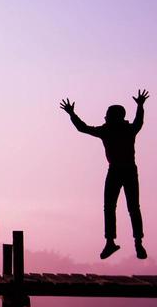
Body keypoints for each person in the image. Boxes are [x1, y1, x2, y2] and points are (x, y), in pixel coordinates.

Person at [60, 90, 149, 260]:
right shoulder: (127, 129)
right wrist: (140, 106)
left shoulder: (108, 130)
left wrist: (72, 114)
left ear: (114, 116)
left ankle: (112, 242)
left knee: (110, 207)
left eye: (107, 114)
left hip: (117, 170)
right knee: (133, 208)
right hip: (128, 170)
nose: (104, 117)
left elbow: (83, 128)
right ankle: (136, 243)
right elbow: (139, 121)